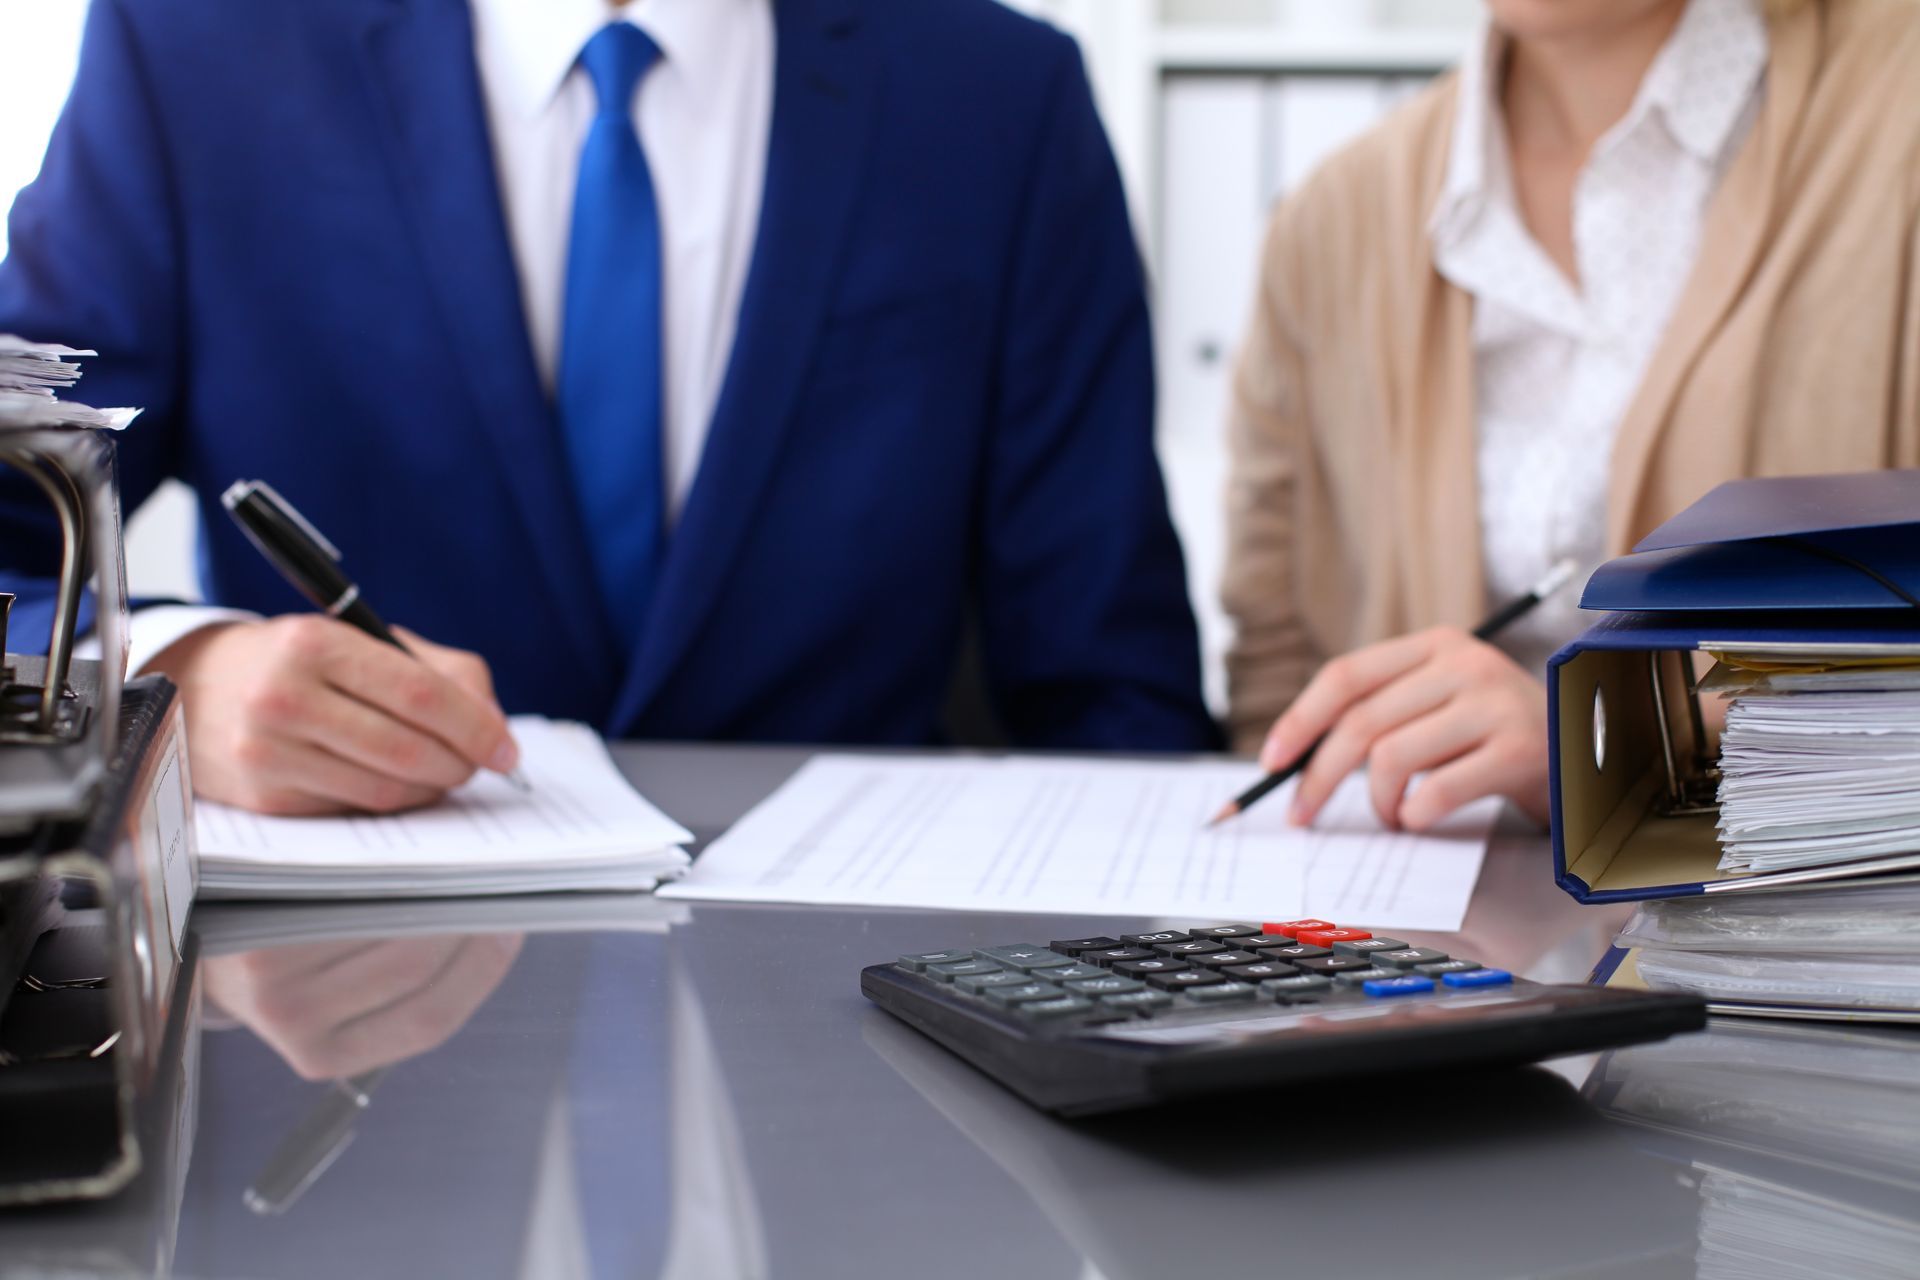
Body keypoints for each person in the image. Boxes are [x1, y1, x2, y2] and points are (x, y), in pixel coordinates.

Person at [0, 0, 1218, 816]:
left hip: (857, 1039)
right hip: (342, 1052)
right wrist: (161, 685)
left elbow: (1115, 689)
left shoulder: (999, 98)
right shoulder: (197, 53)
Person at [1222, 0, 1920, 833]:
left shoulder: (1895, 113)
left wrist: (1617, 744)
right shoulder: (1329, 223)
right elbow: (1277, 692)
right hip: (1429, 947)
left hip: (1807, 941)